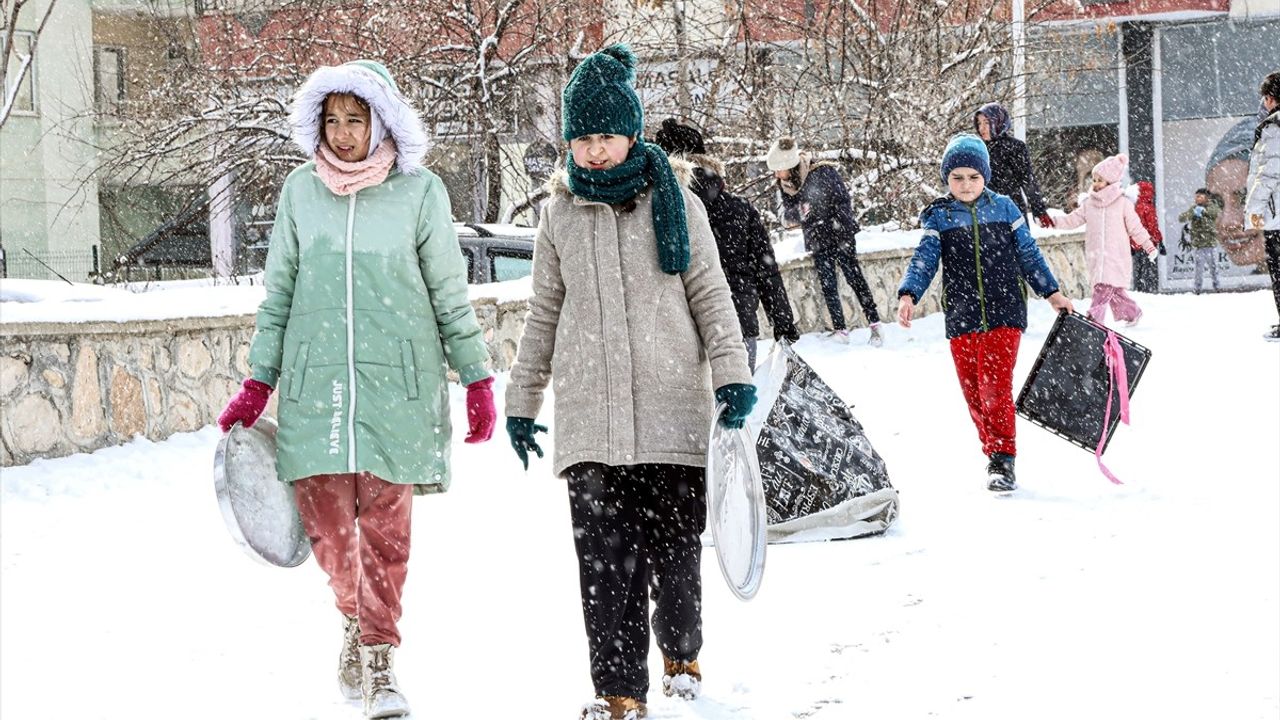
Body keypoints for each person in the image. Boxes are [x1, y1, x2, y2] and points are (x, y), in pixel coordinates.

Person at [215, 60, 495, 720]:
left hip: (397, 386)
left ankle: (378, 656)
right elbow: (278, 293)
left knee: (386, 533)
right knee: (332, 535)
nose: (342, 134)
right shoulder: (298, 193)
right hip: (316, 391)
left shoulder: (419, 193)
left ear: (382, 121)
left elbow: (449, 294)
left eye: (355, 119)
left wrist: (477, 375)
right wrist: (259, 383)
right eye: (331, 120)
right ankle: (353, 614)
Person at [502, 45, 755, 720]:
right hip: (591, 421)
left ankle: (681, 652)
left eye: (605, 137)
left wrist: (732, 377)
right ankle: (618, 692)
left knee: (673, 559)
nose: (594, 152)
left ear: (632, 134)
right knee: (605, 569)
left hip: (673, 415)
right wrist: (522, 401)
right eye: (581, 139)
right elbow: (544, 315)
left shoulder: (679, 205)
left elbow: (711, 296)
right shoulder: (558, 217)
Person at [897, 134, 1073, 492]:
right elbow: (926, 258)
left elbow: (1028, 254)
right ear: (947, 178)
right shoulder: (940, 216)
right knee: (973, 391)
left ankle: (1003, 459)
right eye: (957, 177)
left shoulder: (1006, 208)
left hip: (1004, 310)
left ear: (985, 177)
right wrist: (909, 293)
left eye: (973, 177)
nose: (966, 185)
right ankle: (992, 450)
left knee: (994, 387)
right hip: (962, 314)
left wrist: (1052, 293)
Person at [655, 118, 800, 368]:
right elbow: (767, 271)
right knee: (740, 405)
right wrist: (783, 323)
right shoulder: (740, 210)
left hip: (675, 334)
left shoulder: (655, 211)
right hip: (737, 326)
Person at [767, 136, 884, 346]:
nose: (776, 175)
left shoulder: (822, 171)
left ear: (789, 165)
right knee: (828, 284)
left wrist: (833, 221)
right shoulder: (786, 184)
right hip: (817, 239)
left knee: (854, 278)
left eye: (778, 169)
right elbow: (786, 216)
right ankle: (840, 330)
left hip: (840, 235)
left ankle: (875, 324)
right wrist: (801, 213)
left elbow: (842, 200)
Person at [1055, 153, 1157, 326]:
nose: (1095, 184)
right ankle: (1132, 313)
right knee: (1114, 291)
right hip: (1096, 255)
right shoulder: (1089, 204)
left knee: (1102, 289)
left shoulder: (1123, 203)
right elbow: (1072, 220)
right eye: (1094, 180)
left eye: (1099, 180)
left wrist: (1149, 246)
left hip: (1116, 256)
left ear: (1110, 182)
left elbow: (1136, 228)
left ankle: (1094, 320)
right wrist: (1052, 222)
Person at [975, 102, 1054, 228]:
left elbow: (1027, 180)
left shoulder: (1014, 147)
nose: (981, 128)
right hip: (982, 212)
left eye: (986, 123)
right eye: (979, 123)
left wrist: (1039, 210)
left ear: (999, 122)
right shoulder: (977, 148)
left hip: (1011, 210)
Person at [1245, 70, 1280, 341]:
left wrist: (1254, 210)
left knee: (1278, 267)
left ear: (1271, 98)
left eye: (1265, 98)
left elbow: (1268, 173)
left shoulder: (1275, 127)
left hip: (1276, 213)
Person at [1177, 188, 1222, 294]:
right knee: (1199, 269)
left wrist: (1204, 212)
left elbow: (1215, 213)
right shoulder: (1194, 208)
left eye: (1199, 197)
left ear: (1207, 198)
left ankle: (1217, 287)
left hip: (1210, 244)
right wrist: (1192, 213)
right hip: (1199, 245)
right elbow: (1181, 218)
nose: (1197, 199)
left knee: (1214, 268)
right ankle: (1197, 289)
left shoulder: (1212, 207)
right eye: (1196, 197)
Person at [1131, 181, 1163, 293]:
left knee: (1138, 269)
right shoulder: (1148, 208)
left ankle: (1139, 289)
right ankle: (1149, 291)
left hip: (1136, 244)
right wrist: (1159, 240)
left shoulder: (1134, 208)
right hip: (1148, 243)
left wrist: (1131, 243)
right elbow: (1152, 227)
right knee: (1149, 269)